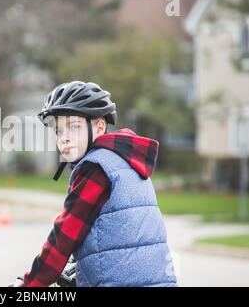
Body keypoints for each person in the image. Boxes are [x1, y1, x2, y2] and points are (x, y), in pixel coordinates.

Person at [11, 81, 177, 287]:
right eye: (58, 131)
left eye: (73, 127)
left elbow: (64, 237)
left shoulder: (96, 169)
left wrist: (29, 285)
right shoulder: (124, 161)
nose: (64, 138)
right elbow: (120, 238)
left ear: (99, 128)